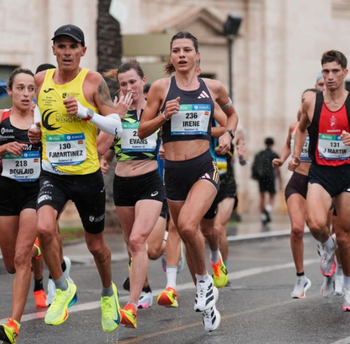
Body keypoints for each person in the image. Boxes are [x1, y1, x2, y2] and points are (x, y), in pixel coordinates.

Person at [138, 31, 238, 332]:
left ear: (197, 56)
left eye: (186, 50)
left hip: (204, 168)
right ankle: (207, 301)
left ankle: (206, 282)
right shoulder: (159, 88)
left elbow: (232, 116)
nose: (181, 55)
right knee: (191, 234)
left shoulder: (213, 88)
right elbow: (142, 130)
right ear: (171, 57)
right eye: (176, 51)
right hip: (174, 173)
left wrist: (229, 134)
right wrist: (163, 118)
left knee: (186, 227)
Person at [28, 24, 125, 332]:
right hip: (53, 174)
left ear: (83, 51)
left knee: (95, 245)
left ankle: (108, 294)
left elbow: (116, 126)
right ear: (53, 50)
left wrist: (87, 113)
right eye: (61, 46)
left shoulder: (93, 81)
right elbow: (40, 112)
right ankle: (62, 287)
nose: (67, 52)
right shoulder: (41, 79)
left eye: (73, 47)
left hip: (87, 175)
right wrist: (34, 130)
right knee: (44, 228)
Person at [97, 60, 165, 329]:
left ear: (143, 81)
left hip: (149, 181)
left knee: (138, 241)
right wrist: (115, 116)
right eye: (123, 83)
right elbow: (102, 147)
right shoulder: (115, 110)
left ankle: (131, 305)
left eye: (132, 82)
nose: (128, 87)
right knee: (131, 245)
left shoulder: (155, 107)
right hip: (122, 185)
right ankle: (142, 291)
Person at [289, 50, 350, 311]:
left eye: (335, 71)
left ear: (345, 73)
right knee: (314, 224)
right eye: (326, 71)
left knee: (346, 238)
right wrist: (294, 155)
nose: (330, 76)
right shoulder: (312, 103)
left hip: (347, 171)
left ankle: (347, 284)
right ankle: (327, 247)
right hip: (321, 171)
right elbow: (300, 128)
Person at [0, 68, 40, 344]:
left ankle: (13, 323)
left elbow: (63, 150)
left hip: (35, 192)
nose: (26, 93)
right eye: (21, 88)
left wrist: (45, 140)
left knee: (20, 258)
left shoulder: (43, 119)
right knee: (11, 264)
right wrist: (3, 148)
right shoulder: (1, 119)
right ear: (10, 91)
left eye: (31, 88)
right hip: (6, 193)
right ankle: (36, 250)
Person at [272, 88, 318, 298]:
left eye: (308, 101)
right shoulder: (293, 127)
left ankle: (332, 266)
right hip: (297, 182)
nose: (304, 105)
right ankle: (301, 277)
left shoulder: (320, 127)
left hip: (318, 183)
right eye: (302, 100)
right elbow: (286, 146)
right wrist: (281, 160)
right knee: (297, 229)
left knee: (320, 228)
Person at [252, 137, 282, 228]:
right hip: (270, 177)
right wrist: (280, 182)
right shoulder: (274, 154)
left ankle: (263, 216)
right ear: (272, 144)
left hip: (261, 178)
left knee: (262, 196)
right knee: (272, 195)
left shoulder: (259, 153)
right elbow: (278, 170)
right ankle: (267, 210)